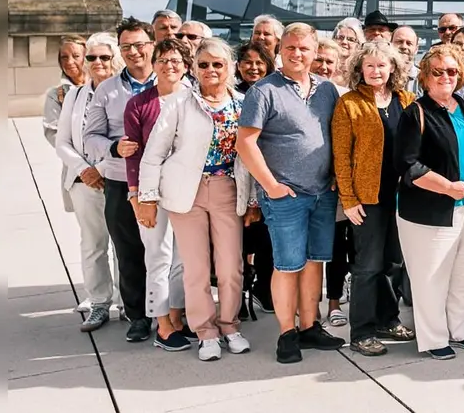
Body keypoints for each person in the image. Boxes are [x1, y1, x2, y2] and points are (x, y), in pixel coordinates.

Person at [137, 37, 255, 361]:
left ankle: (230, 326)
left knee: (231, 266)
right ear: (194, 68)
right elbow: (153, 155)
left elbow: (252, 156)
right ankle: (205, 332)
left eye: (218, 64)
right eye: (203, 64)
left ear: (229, 68)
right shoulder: (178, 104)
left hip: (228, 189)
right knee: (196, 268)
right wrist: (147, 197)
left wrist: (254, 201)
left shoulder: (243, 104)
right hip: (186, 192)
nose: (211, 70)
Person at [236, 22, 346, 364]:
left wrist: (335, 176)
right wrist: (271, 186)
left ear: (315, 53)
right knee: (287, 264)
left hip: (322, 193)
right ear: (280, 51)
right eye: (290, 48)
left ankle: (310, 325)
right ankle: (287, 332)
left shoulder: (327, 90)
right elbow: (245, 142)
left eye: (304, 48)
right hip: (285, 196)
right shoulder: (264, 91)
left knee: (315, 262)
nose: (297, 54)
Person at [395, 44, 464, 361]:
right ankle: (434, 337)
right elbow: (408, 165)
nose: (445, 77)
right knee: (431, 278)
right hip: (430, 210)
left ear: (461, 75)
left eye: (452, 71)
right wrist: (447, 187)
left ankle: (461, 330)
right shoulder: (415, 113)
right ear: (425, 77)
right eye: (437, 71)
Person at [332, 38, 418, 356]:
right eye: (369, 65)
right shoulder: (350, 104)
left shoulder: (407, 100)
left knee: (393, 263)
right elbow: (341, 156)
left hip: (401, 197)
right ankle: (362, 331)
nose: (375, 70)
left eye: (382, 64)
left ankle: (387, 319)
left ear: (393, 68)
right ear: (359, 69)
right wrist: (349, 199)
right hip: (367, 199)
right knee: (367, 266)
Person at [82, 17, 159, 344]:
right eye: (126, 46)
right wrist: (113, 147)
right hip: (119, 181)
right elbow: (90, 136)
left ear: (152, 45)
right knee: (128, 253)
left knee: (167, 253)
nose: (134, 52)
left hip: (164, 183)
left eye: (140, 44)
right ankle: (138, 316)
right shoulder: (107, 89)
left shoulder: (174, 82)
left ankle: (171, 314)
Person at [122, 38, 192, 351]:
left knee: (182, 259)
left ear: (186, 66)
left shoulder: (194, 100)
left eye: (176, 60)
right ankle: (161, 324)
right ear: (154, 64)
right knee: (158, 257)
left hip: (186, 191)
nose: (169, 66)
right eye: (162, 60)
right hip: (152, 192)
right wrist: (137, 196)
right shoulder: (139, 104)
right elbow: (134, 156)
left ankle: (177, 318)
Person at [54, 33, 122, 332]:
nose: (97, 63)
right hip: (84, 183)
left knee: (125, 245)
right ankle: (98, 302)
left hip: (118, 179)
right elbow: (62, 142)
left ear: (114, 59)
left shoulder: (125, 93)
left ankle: (127, 301)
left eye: (104, 57)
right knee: (93, 243)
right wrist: (85, 169)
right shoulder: (75, 95)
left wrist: (103, 168)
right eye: (91, 57)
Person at [231, 40, 275, 313]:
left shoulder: (273, 92)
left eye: (260, 62)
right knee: (239, 242)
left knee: (267, 242)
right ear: (238, 66)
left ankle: (264, 289)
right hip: (237, 179)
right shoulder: (232, 95)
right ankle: (240, 292)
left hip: (268, 176)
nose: (254, 67)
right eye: (247, 61)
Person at [42, 36, 86, 147]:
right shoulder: (55, 95)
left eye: (76, 56)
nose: (69, 62)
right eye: (64, 57)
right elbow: (52, 133)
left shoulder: (104, 87)